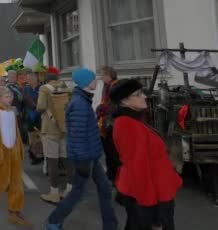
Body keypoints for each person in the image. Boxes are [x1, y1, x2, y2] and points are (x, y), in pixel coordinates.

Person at [45, 67, 118, 230]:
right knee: (78, 192)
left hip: (90, 155)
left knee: (104, 190)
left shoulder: (83, 100)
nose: (97, 81)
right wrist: (83, 163)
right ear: (86, 82)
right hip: (85, 157)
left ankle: (110, 226)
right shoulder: (79, 104)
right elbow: (77, 136)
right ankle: (54, 221)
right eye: (93, 79)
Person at [110, 79, 182, 230]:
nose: (144, 96)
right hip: (150, 197)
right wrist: (152, 215)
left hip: (158, 191)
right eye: (138, 94)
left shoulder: (135, 119)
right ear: (124, 101)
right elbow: (138, 169)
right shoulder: (127, 125)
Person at [0, 88, 32, 228]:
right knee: (2, 183)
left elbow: (16, 132)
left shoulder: (11, 112)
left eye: (10, 96)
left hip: (14, 152)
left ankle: (14, 212)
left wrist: (20, 150)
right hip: (2, 153)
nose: (9, 98)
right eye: (6, 96)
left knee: (17, 183)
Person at [36, 67, 73, 204]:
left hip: (50, 128)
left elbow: (40, 106)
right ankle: (70, 187)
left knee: (52, 160)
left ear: (46, 80)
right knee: (66, 158)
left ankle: (54, 192)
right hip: (64, 127)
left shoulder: (44, 89)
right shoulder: (66, 87)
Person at [96, 66, 119, 181]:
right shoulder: (107, 86)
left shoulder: (115, 86)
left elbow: (112, 105)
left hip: (112, 123)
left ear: (109, 75)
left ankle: (115, 176)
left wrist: (100, 109)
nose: (101, 78)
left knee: (113, 151)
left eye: (102, 75)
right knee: (108, 150)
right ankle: (111, 174)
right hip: (106, 122)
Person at [23, 73, 43, 165]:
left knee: (40, 137)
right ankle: (33, 156)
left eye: (30, 79)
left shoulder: (41, 88)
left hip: (40, 116)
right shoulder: (26, 89)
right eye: (28, 79)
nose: (28, 80)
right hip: (30, 116)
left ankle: (41, 155)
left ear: (35, 79)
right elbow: (24, 100)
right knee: (31, 137)